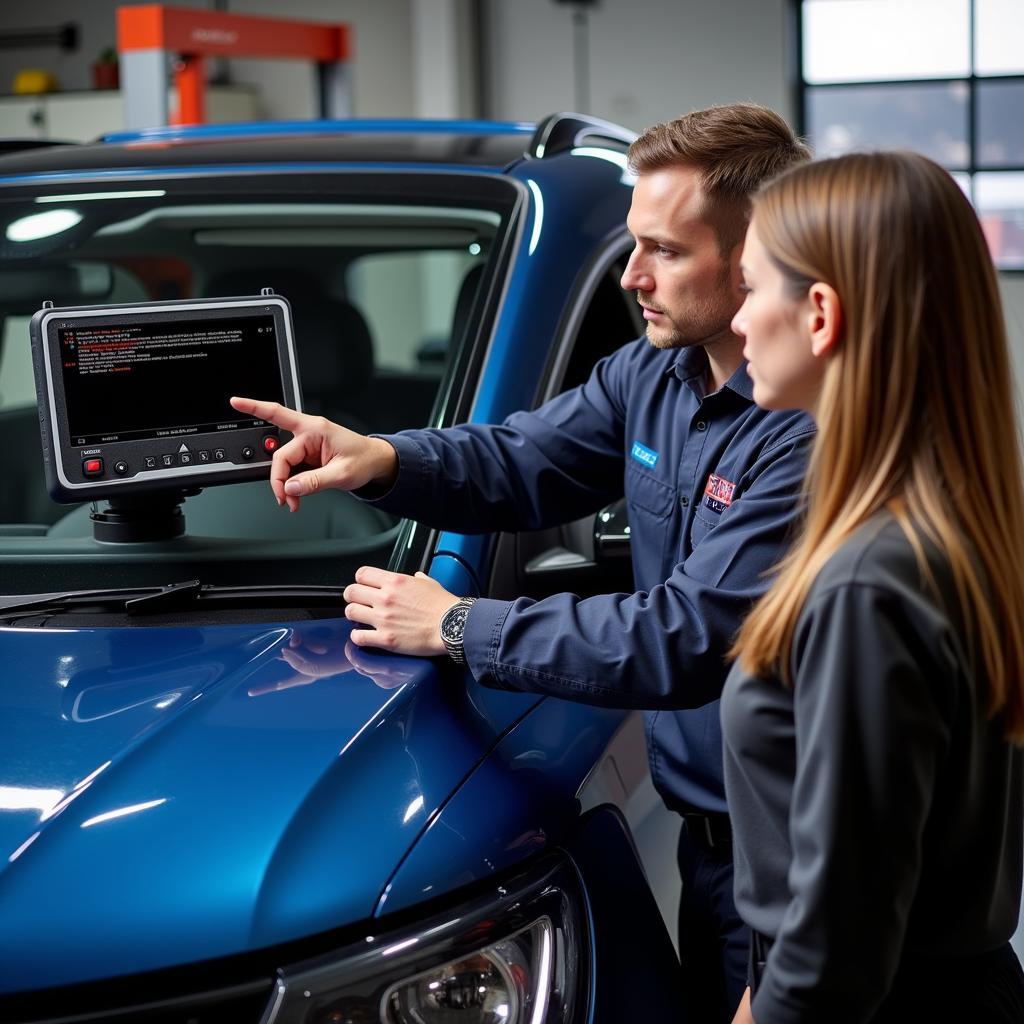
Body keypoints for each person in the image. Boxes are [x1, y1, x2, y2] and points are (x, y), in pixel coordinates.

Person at [231, 103, 812, 1023]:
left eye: (663, 250)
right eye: (633, 245)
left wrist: (456, 624)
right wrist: (381, 458)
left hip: (791, 855)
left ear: (753, 260)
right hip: (710, 850)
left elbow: (686, 635)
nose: (633, 276)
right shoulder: (653, 374)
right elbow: (524, 458)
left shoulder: (805, 434)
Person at [723, 149, 1024, 1024]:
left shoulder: (867, 586)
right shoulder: (946, 529)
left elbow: (832, 961)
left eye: (750, 290)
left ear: (820, 314)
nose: (738, 323)